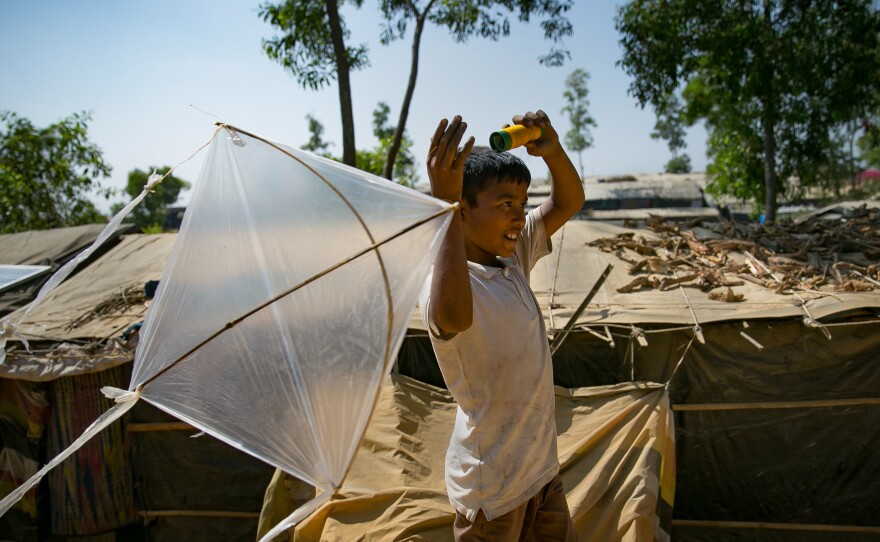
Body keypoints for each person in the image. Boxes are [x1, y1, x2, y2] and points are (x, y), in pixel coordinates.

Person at [419, 110, 584, 541]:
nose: (518, 217)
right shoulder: (448, 281)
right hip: (491, 492)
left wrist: (553, 150)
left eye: (523, 205)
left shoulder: (514, 259)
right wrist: (443, 206)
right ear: (463, 210)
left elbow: (568, 201)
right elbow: (454, 317)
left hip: (540, 471)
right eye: (505, 205)